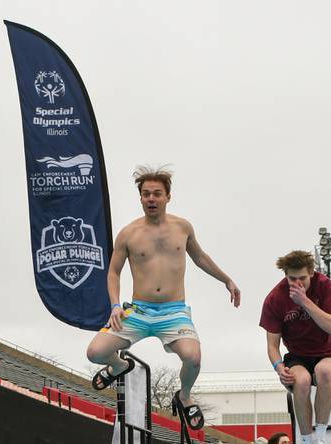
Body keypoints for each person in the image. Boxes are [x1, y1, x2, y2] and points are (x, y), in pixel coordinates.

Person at [86, 166, 241, 430]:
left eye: (157, 193)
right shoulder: (128, 233)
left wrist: (226, 279)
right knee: (95, 352)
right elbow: (113, 272)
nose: (151, 199)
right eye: (146, 194)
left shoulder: (182, 227)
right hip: (138, 310)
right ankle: (118, 366)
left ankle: (185, 396)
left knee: (193, 357)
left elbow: (200, 257)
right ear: (140, 198)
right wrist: (114, 305)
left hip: (173, 312)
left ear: (168, 197)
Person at [260, 250, 331, 444]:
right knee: (301, 381)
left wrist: (305, 302)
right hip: (297, 355)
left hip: (327, 351)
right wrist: (278, 368)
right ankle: (307, 443)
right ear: (285, 275)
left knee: (324, 372)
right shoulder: (275, 298)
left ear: (311, 272)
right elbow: (272, 345)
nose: (297, 283)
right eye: (292, 279)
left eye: (302, 278)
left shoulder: (325, 286)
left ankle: (321, 439)